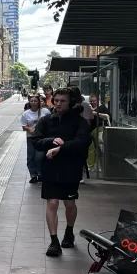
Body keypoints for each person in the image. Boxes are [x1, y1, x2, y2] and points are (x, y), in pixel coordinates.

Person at [32, 88, 91, 256]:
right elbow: (36, 141)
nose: (58, 103)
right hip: (50, 168)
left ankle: (69, 232)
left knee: (70, 203)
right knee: (52, 203)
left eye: (62, 101)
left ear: (70, 102)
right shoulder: (46, 120)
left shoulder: (80, 122)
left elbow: (83, 142)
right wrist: (50, 142)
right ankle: (54, 241)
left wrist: (60, 148)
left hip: (70, 169)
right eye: (56, 100)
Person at [21, 95, 51, 183]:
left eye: (35, 101)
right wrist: (29, 129)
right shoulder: (26, 113)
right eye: (32, 101)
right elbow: (23, 126)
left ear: (39, 102)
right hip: (31, 138)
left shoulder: (45, 111)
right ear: (29, 102)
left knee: (39, 156)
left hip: (42, 138)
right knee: (30, 157)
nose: (33, 103)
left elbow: (50, 122)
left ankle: (40, 173)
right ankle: (33, 175)